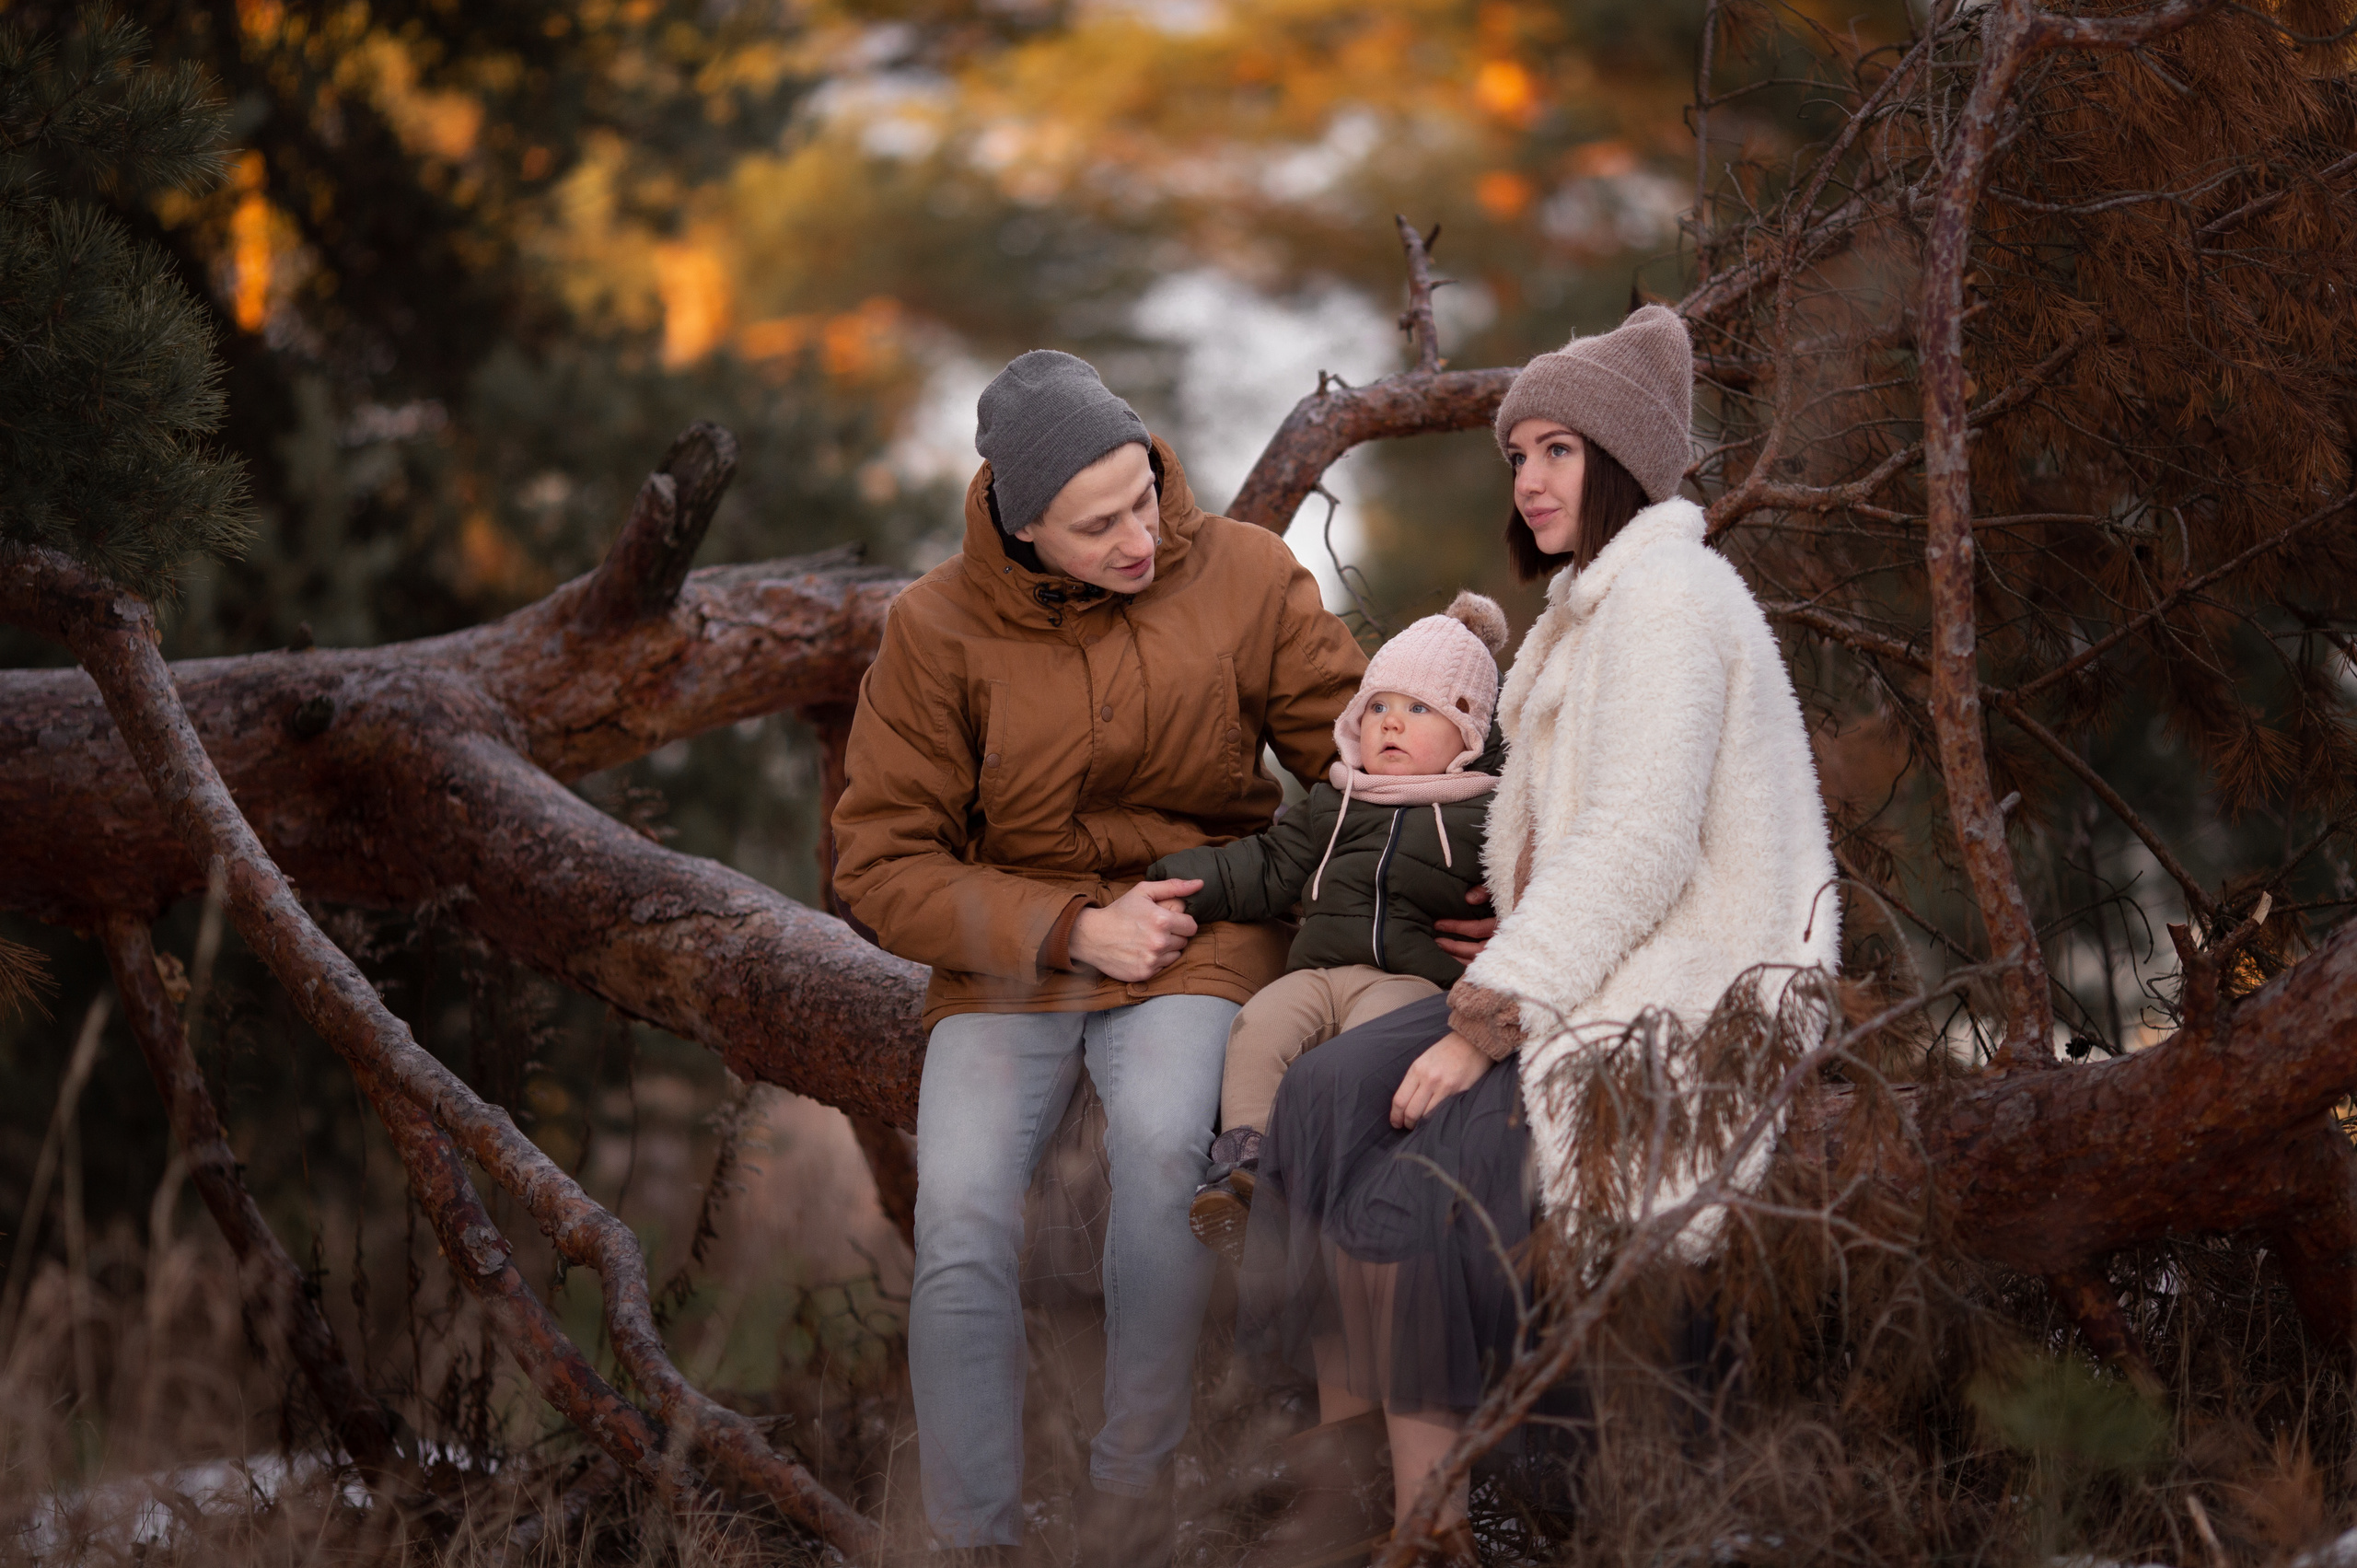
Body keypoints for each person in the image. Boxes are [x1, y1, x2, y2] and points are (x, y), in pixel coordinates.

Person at [1237, 305, 1840, 1568]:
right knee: (1331, 1088)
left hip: (1677, 988)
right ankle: (1353, 1476)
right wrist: (1508, 922)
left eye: (1559, 450)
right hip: (1584, 959)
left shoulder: (1668, 597)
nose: (1529, 476)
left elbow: (1641, 842)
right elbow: (1566, 831)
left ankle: (1430, 1524)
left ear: (1619, 460)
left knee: (1409, 1189)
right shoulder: (1584, 609)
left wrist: (1485, 1017)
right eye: (1520, 454)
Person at [829, 349, 1375, 1564]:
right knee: (962, 1208)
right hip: (1004, 958)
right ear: (1023, 529)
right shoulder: (931, 628)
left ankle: (1133, 1494)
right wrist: (1069, 928)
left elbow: (1357, 763)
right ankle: (969, 1538)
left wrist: (1420, 858)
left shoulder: (1243, 574)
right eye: (1098, 525)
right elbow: (878, 861)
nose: (1140, 536)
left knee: (1165, 1149)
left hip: (1198, 932)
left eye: (1147, 497)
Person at [1145, 592, 1510, 1259]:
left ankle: (1342, 1176)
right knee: (1261, 1025)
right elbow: (1270, 863)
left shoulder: (1488, 814)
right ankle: (1245, 1166)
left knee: (1364, 1051)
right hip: (1319, 969)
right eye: (1378, 707)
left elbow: (1524, 890)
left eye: (1418, 709)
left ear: (1470, 734)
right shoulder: (1335, 801)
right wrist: (1186, 879)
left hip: (1409, 982)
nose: (1391, 724)